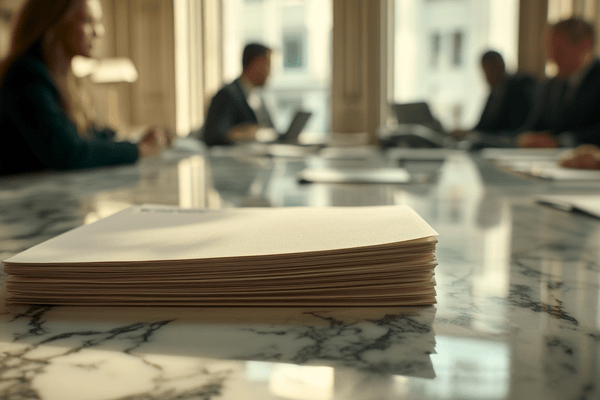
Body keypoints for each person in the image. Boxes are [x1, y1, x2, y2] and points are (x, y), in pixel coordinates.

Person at [0, 0, 170, 176]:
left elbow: (91, 134)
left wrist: (135, 136)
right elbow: (68, 152)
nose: (99, 32)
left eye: (99, 21)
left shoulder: (65, 76)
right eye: (87, 21)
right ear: (55, 21)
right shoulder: (25, 75)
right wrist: (139, 149)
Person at [517, 17, 600, 148]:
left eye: (558, 51)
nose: (551, 58)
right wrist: (527, 137)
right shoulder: (552, 84)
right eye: (549, 50)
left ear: (585, 46)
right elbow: (534, 127)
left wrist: (561, 141)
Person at [452, 50, 537, 141]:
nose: (487, 76)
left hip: (507, 143)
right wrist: (466, 133)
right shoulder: (494, 93)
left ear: (501, 66)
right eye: (485, 71)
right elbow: (482, 126)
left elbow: (516, 128)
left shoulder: (519, 87)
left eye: (490, 70)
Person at [202, 43, 275, 147]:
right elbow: (214, 136)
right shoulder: (226, 95)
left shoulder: (258, 97)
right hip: (235, 160)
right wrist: (245, 133)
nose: (270, 73)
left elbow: (272, 130)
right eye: (269, 66)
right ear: (257, 63)